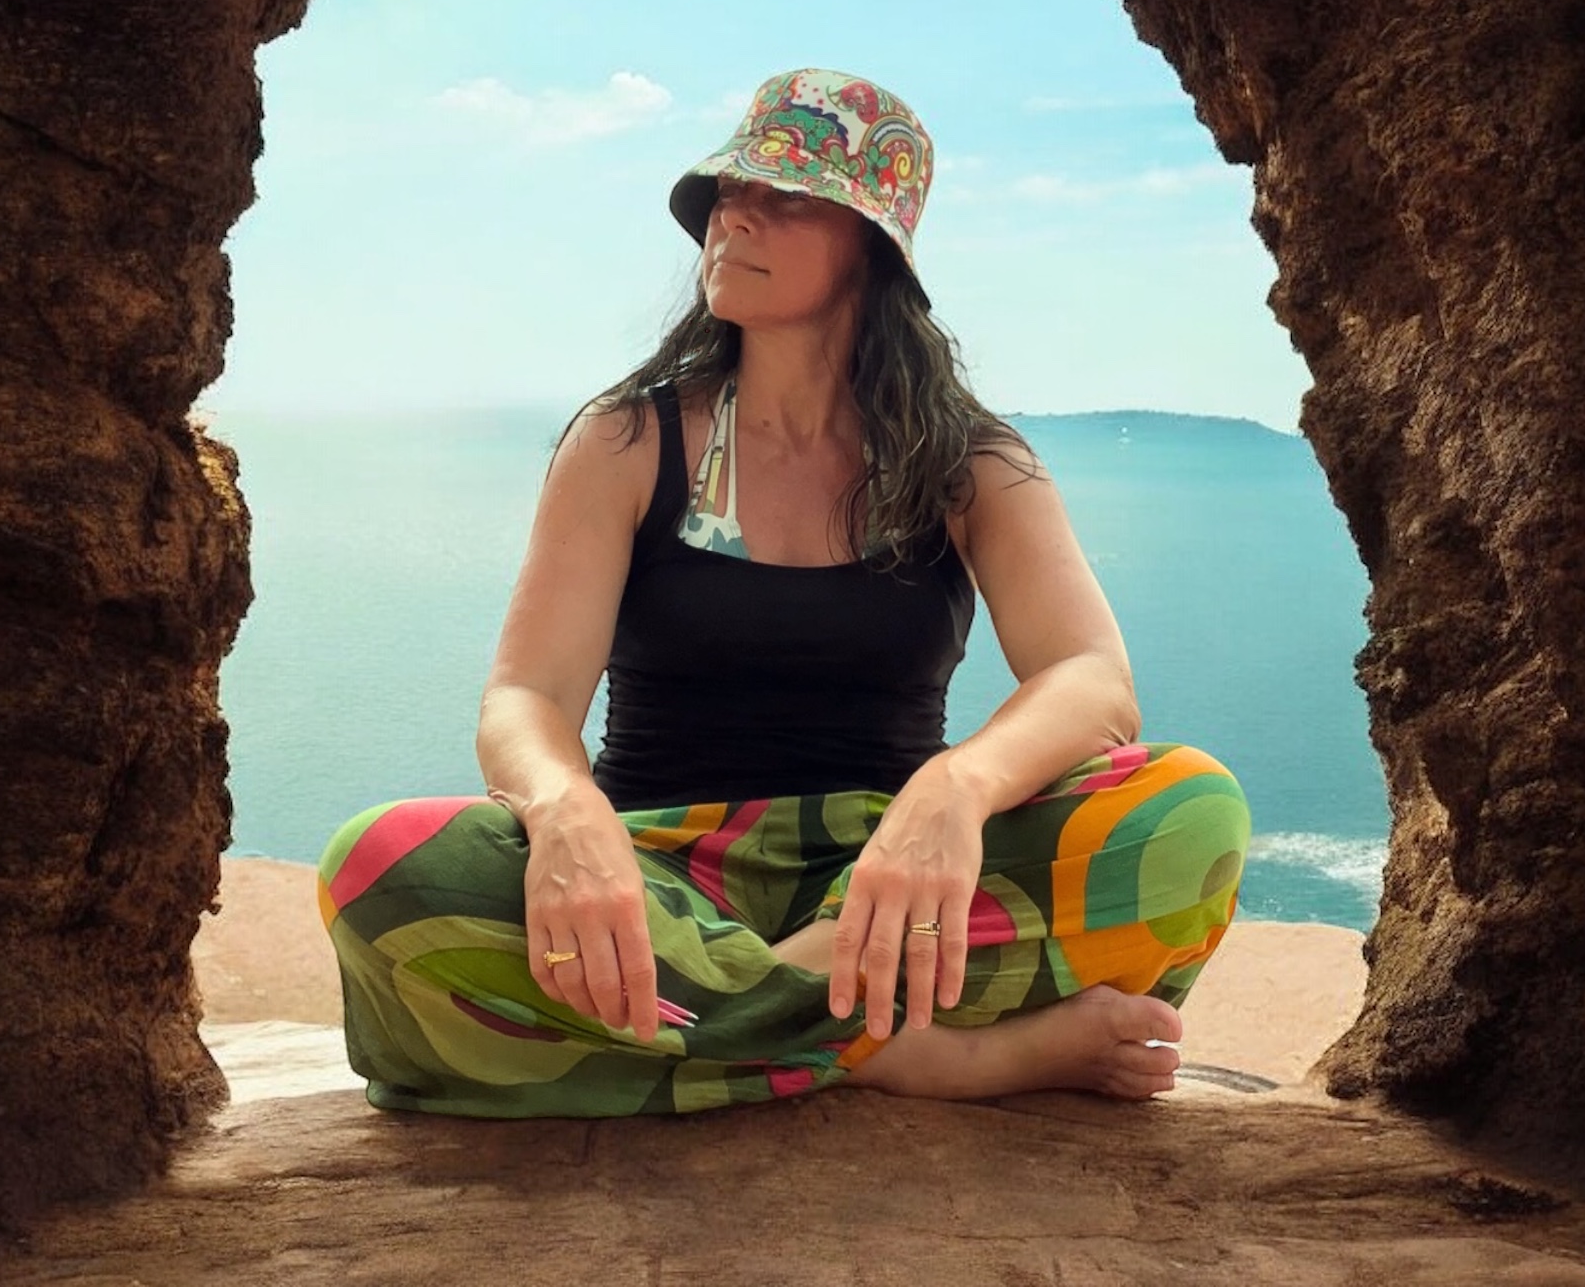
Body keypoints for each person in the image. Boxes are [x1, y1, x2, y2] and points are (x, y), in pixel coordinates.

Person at [318, 67, 1250, 1117]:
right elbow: (525, 697)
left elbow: (1090, 678)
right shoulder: (626, 441)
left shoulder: (967, 462)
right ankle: (927, 1055)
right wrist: (564, 808)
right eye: (728, 189)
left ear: (872, 246)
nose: (736, 213)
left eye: (787, 195)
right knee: (377, 869)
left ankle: (696, 1038)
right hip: (655, 878)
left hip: (891, 884)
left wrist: (952, 793)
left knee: (1192, 811)